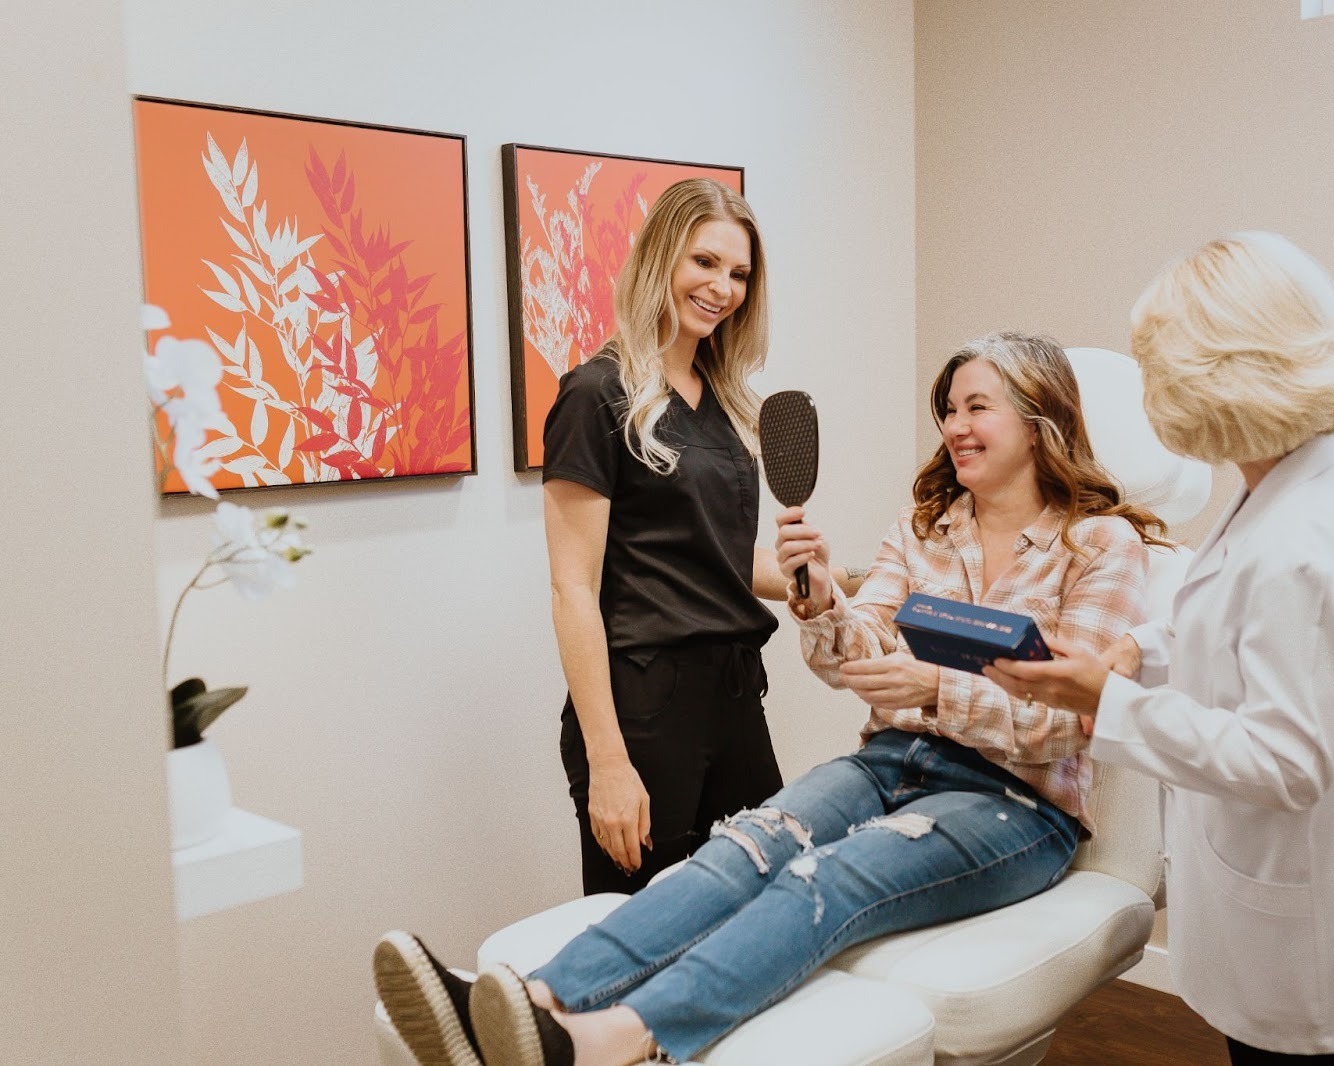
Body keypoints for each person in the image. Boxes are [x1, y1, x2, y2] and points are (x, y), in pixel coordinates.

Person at [373, 331, 1168, 1066]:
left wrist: (935, 687)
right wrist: (819, 598)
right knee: (741, 846)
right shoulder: (926, 526)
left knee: (827, 876)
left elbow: (1072, 721)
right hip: (890, 760)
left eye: (977, 408)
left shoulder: (1100, 544)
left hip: (1016, 802)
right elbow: (852, 658)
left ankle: (607, 1040)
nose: (954, 426)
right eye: (949, 409)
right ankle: (530, 1002)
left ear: (1037, 420)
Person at [986, 233, 1334, 1065]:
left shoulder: (1307, 539)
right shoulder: (1302, 478)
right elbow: (1232, 617)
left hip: (1317, 940)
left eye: (1159, 372)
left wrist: (1109, 705)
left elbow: (1286, 762)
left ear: (1218, 374)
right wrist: (1134, 652)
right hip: (1297, 910)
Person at [539, 178, 861, 896]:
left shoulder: (723, 400)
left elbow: (716, 559)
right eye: (705, 262)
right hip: (644, 706)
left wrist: (834, 579)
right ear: (661, 259)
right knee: (647, 927)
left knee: (765, 903)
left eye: (739, 273)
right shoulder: (595, 395)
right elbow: (572, 590)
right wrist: (609, 762)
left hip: (735, 697)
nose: (723, 288)